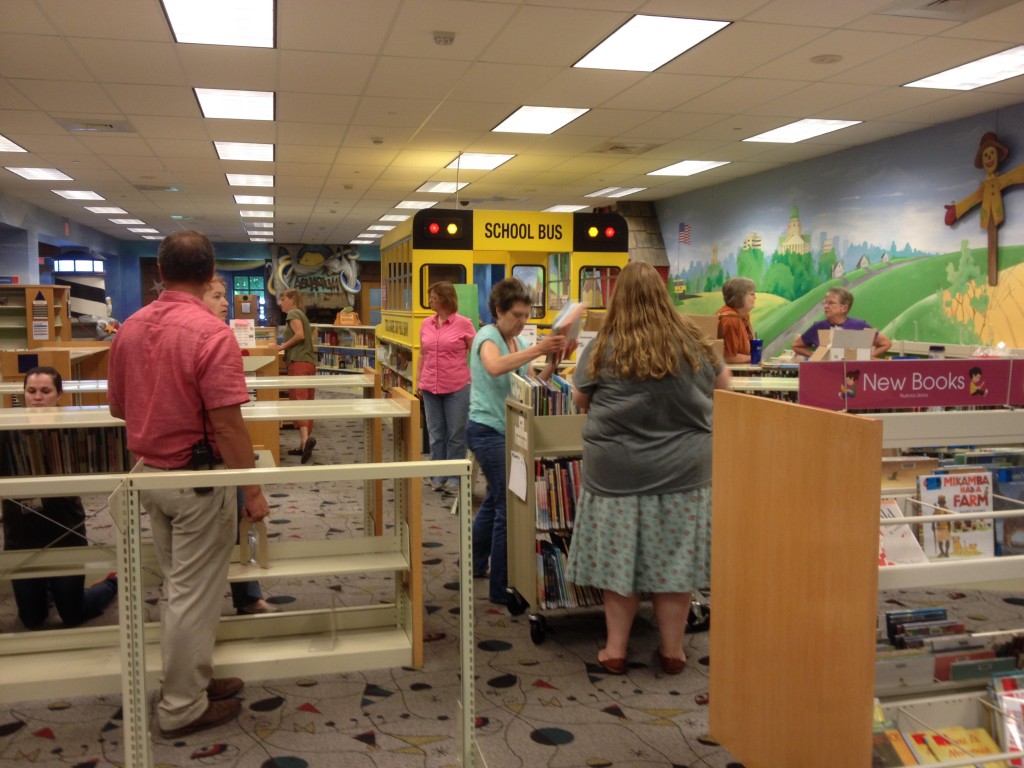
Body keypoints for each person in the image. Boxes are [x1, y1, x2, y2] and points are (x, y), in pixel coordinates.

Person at [107, 230, 271, 739]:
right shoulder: (210, 333)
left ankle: (190, 681)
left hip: (149, 475)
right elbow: (227, 426)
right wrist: (253, 491)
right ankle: (181, 706)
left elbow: (117, 407)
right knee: (192, 595)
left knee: (182, 590)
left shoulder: (129, 328)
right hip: (197, 482)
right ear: (208, 274)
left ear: (159, 270)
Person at [565, 261, 731, 676]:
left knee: (619, 562)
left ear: (618, 299)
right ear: (664, 298)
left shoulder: (603, 346)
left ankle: (616, 650)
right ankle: (673, 651)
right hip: (684, 472)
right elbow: (726, 389)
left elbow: (581, 402)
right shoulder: (693, 343)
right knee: (674, 564)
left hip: (617, 472)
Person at [468, 277, 565, 604]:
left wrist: (551, 363)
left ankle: (472, 561)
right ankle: (502, 588)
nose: (523, 321)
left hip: (509, 429)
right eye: (517, 315)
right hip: (486, 429)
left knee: (497, 499)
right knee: (508, 506)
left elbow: (528, 384)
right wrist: (539, 348)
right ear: (499, 311)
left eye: (527, 315)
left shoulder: (519, 343)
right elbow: (495, 368)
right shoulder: (487, 336)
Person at [2, 367, 118, 629]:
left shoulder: (72, 430)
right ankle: (51, 590)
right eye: (31, 391)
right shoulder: (6, 431)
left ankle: (112, 582)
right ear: (23, 395)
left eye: (45, 391)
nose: (38, 397)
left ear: (59, 395)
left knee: (73, 614)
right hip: (20, 537)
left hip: (65, 532)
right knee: (32, 619)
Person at [202, 276, 277, 616]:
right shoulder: (215, 340)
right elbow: (228, 425)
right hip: (204, 458)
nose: (225, 302)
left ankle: (246, 595)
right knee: (226, 524)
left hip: (201, 457)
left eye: (225, 296)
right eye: (217, 296)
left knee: (235, 525)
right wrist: (253, 489)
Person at [417, 281, 476, 495]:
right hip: (430, 386)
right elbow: (423, 353)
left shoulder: (464, 324)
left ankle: (454, 476)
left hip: (457, 387)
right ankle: (438, 474)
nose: (430, 300)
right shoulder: (426, 324)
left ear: (445, 298)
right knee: (436, 433)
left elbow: (476, 354)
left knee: (456, 433)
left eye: (433, 297)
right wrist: (418, 380)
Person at [272, 289, 318, 463]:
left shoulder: (293, 313)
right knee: (306, 401)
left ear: (291, 299)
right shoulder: (302, 314)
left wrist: (280, 347)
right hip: (308, 363)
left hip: (298, 363)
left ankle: (305, 441)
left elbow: (299, 335)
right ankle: (302, 444)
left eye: (283, 299)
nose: (280, 303)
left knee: (298, 400)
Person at [791, 287, 892, 359]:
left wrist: (867, 358)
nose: (826, 306)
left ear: (844, 308)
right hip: (826, 376)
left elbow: (886, 343)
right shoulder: (818, 327)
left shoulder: (859, 326)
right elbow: (796, 345)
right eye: (825, 302)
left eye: (831, 303)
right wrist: (816, 357)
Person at [715, 277, 757, 363]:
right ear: (740, 296)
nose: (755, 298)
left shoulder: (742, 316)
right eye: (752, 294)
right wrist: (754, 357)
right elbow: (729, 357)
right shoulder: (730, 319)